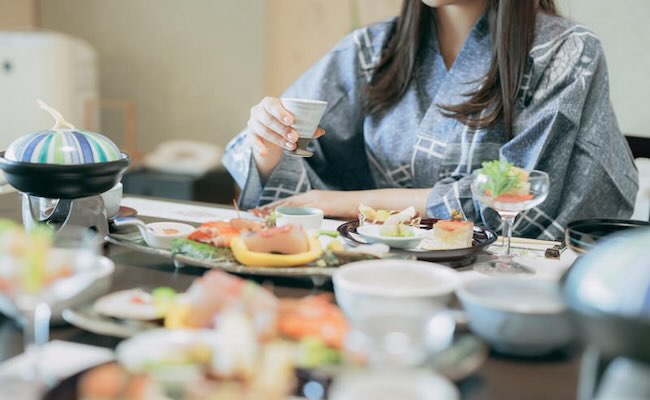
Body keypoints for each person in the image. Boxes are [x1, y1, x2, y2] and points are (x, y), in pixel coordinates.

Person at [223, 0, 638, 240]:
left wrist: (348, 204)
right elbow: (274, 187)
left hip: (508, 288)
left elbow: (516, 199)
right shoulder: (371, 49)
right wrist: (270, 147)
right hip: (374, 271)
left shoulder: (565, 52)